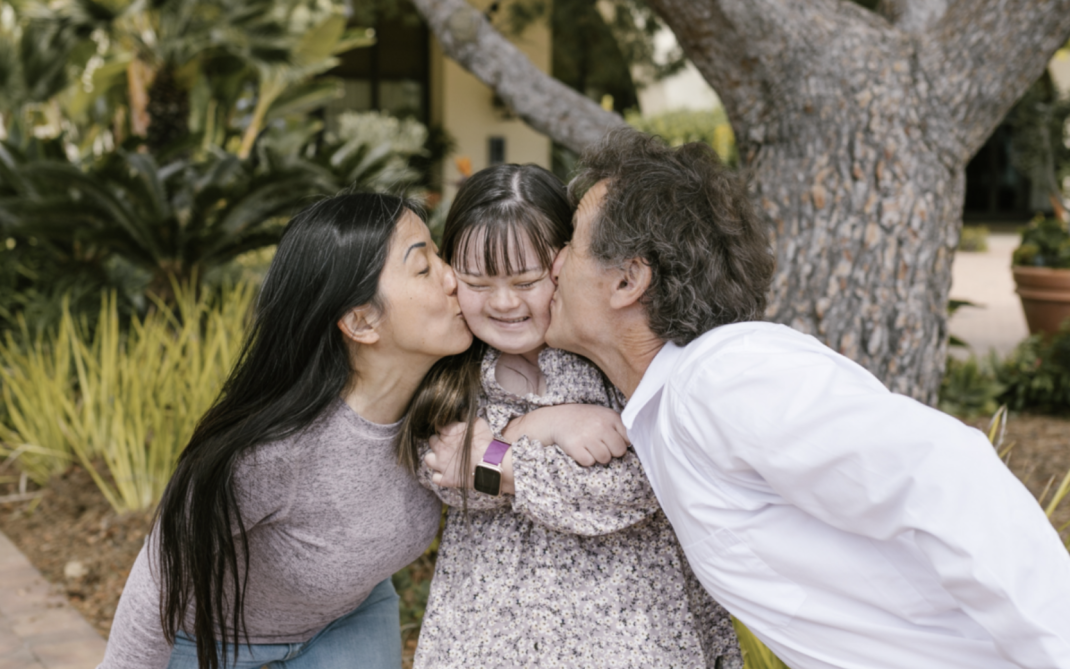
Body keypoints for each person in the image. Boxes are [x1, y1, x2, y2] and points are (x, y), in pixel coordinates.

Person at [523, 128, 1069, 668]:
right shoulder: (670, 403)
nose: (552, 264)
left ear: (628, 281)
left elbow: (946, 474)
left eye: (571, 243)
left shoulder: (722, 378)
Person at [99, 193, 473, 669]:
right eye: (423, 268)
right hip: (211, 639)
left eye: (440, 255)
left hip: (346, 620)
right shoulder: (268, 453)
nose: (453, 277)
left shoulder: (455, 399)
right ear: (361, 321)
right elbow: (162, 575)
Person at [404, 163, 741, 668]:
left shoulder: (608, 359)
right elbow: (448, 473)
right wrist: (538, 427)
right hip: (490, 638)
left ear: (564, 266)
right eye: (477, 282)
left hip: (628, 631)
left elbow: (632, 487)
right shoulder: (454, 371)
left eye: (526, 281)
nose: (503, 302)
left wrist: (500, 461)